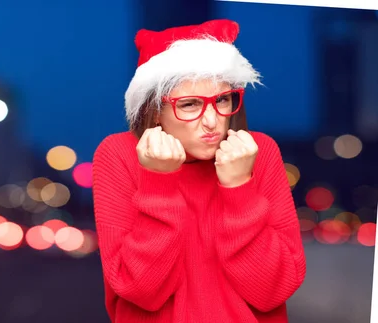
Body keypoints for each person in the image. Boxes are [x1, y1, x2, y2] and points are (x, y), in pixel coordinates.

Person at [92, 19, 306, 323]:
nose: (212, 121)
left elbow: (272, 291)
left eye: (222, 100)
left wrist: (239, 189)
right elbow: (141, 291)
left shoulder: (258, 151)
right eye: (190, 104)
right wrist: (159, 182)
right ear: (154, 111)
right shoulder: (119, 154)